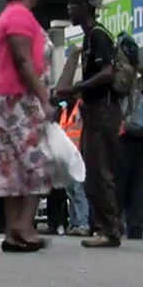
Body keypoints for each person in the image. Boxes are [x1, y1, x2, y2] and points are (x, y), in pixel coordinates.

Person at [0, 0, 53, 253]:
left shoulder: (3, 18)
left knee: (8, 166)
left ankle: (13, 230)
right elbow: (23, 61)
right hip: (18, 98)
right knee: (39, 161)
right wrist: (43, 97)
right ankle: (24, 226)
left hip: (0, 98)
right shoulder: (21, 17)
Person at [57, 0, 122, 248]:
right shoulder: (88, 38)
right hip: (95, 110)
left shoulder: (97, 35)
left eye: (72, 7)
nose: (70, 12)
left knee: (99, 171)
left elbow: (107, 73)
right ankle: (104, 227)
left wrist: (77, 89)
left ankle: (110, 231)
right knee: (93, 172)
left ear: (84, 8)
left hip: (104, 110)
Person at [116, 87, 143, 239]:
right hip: (141, 143)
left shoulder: (125, 99)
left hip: (126, 142)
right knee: (137, 187)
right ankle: (135, 227)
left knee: (121, 186)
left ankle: (118, 225)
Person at [58, 98, 91, 237]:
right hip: (67, 157)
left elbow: (84, 130)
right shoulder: (65, 111)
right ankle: (74, 223)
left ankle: (83, 224)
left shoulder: (81, 108)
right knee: (70, 192)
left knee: (78, 190)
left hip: (78, 154)